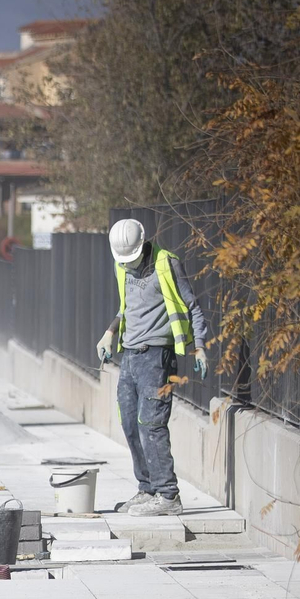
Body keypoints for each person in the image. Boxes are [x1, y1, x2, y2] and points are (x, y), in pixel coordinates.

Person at [97, 218, 210, 517]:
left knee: (152, 424)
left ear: (142, 245)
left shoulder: (166, 264)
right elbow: (126, 307)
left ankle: (168, 495)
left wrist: (199, 345)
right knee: (130, 423)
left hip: (157, 358)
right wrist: (109, 333)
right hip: (130, 357)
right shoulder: (121, 265)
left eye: (131, 259)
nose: (128, 265)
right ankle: (146, 488)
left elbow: (193, 307)